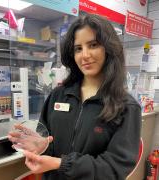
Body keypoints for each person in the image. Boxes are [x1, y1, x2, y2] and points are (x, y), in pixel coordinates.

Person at [8, 13, 141, 180]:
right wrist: (41, 147)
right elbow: (48, 145)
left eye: (93, 45)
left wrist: (62, 164)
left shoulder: (126, 107)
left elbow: (115, 167)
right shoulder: (59, 95)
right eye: (78, 48)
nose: (84, 55)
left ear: (109, 48)